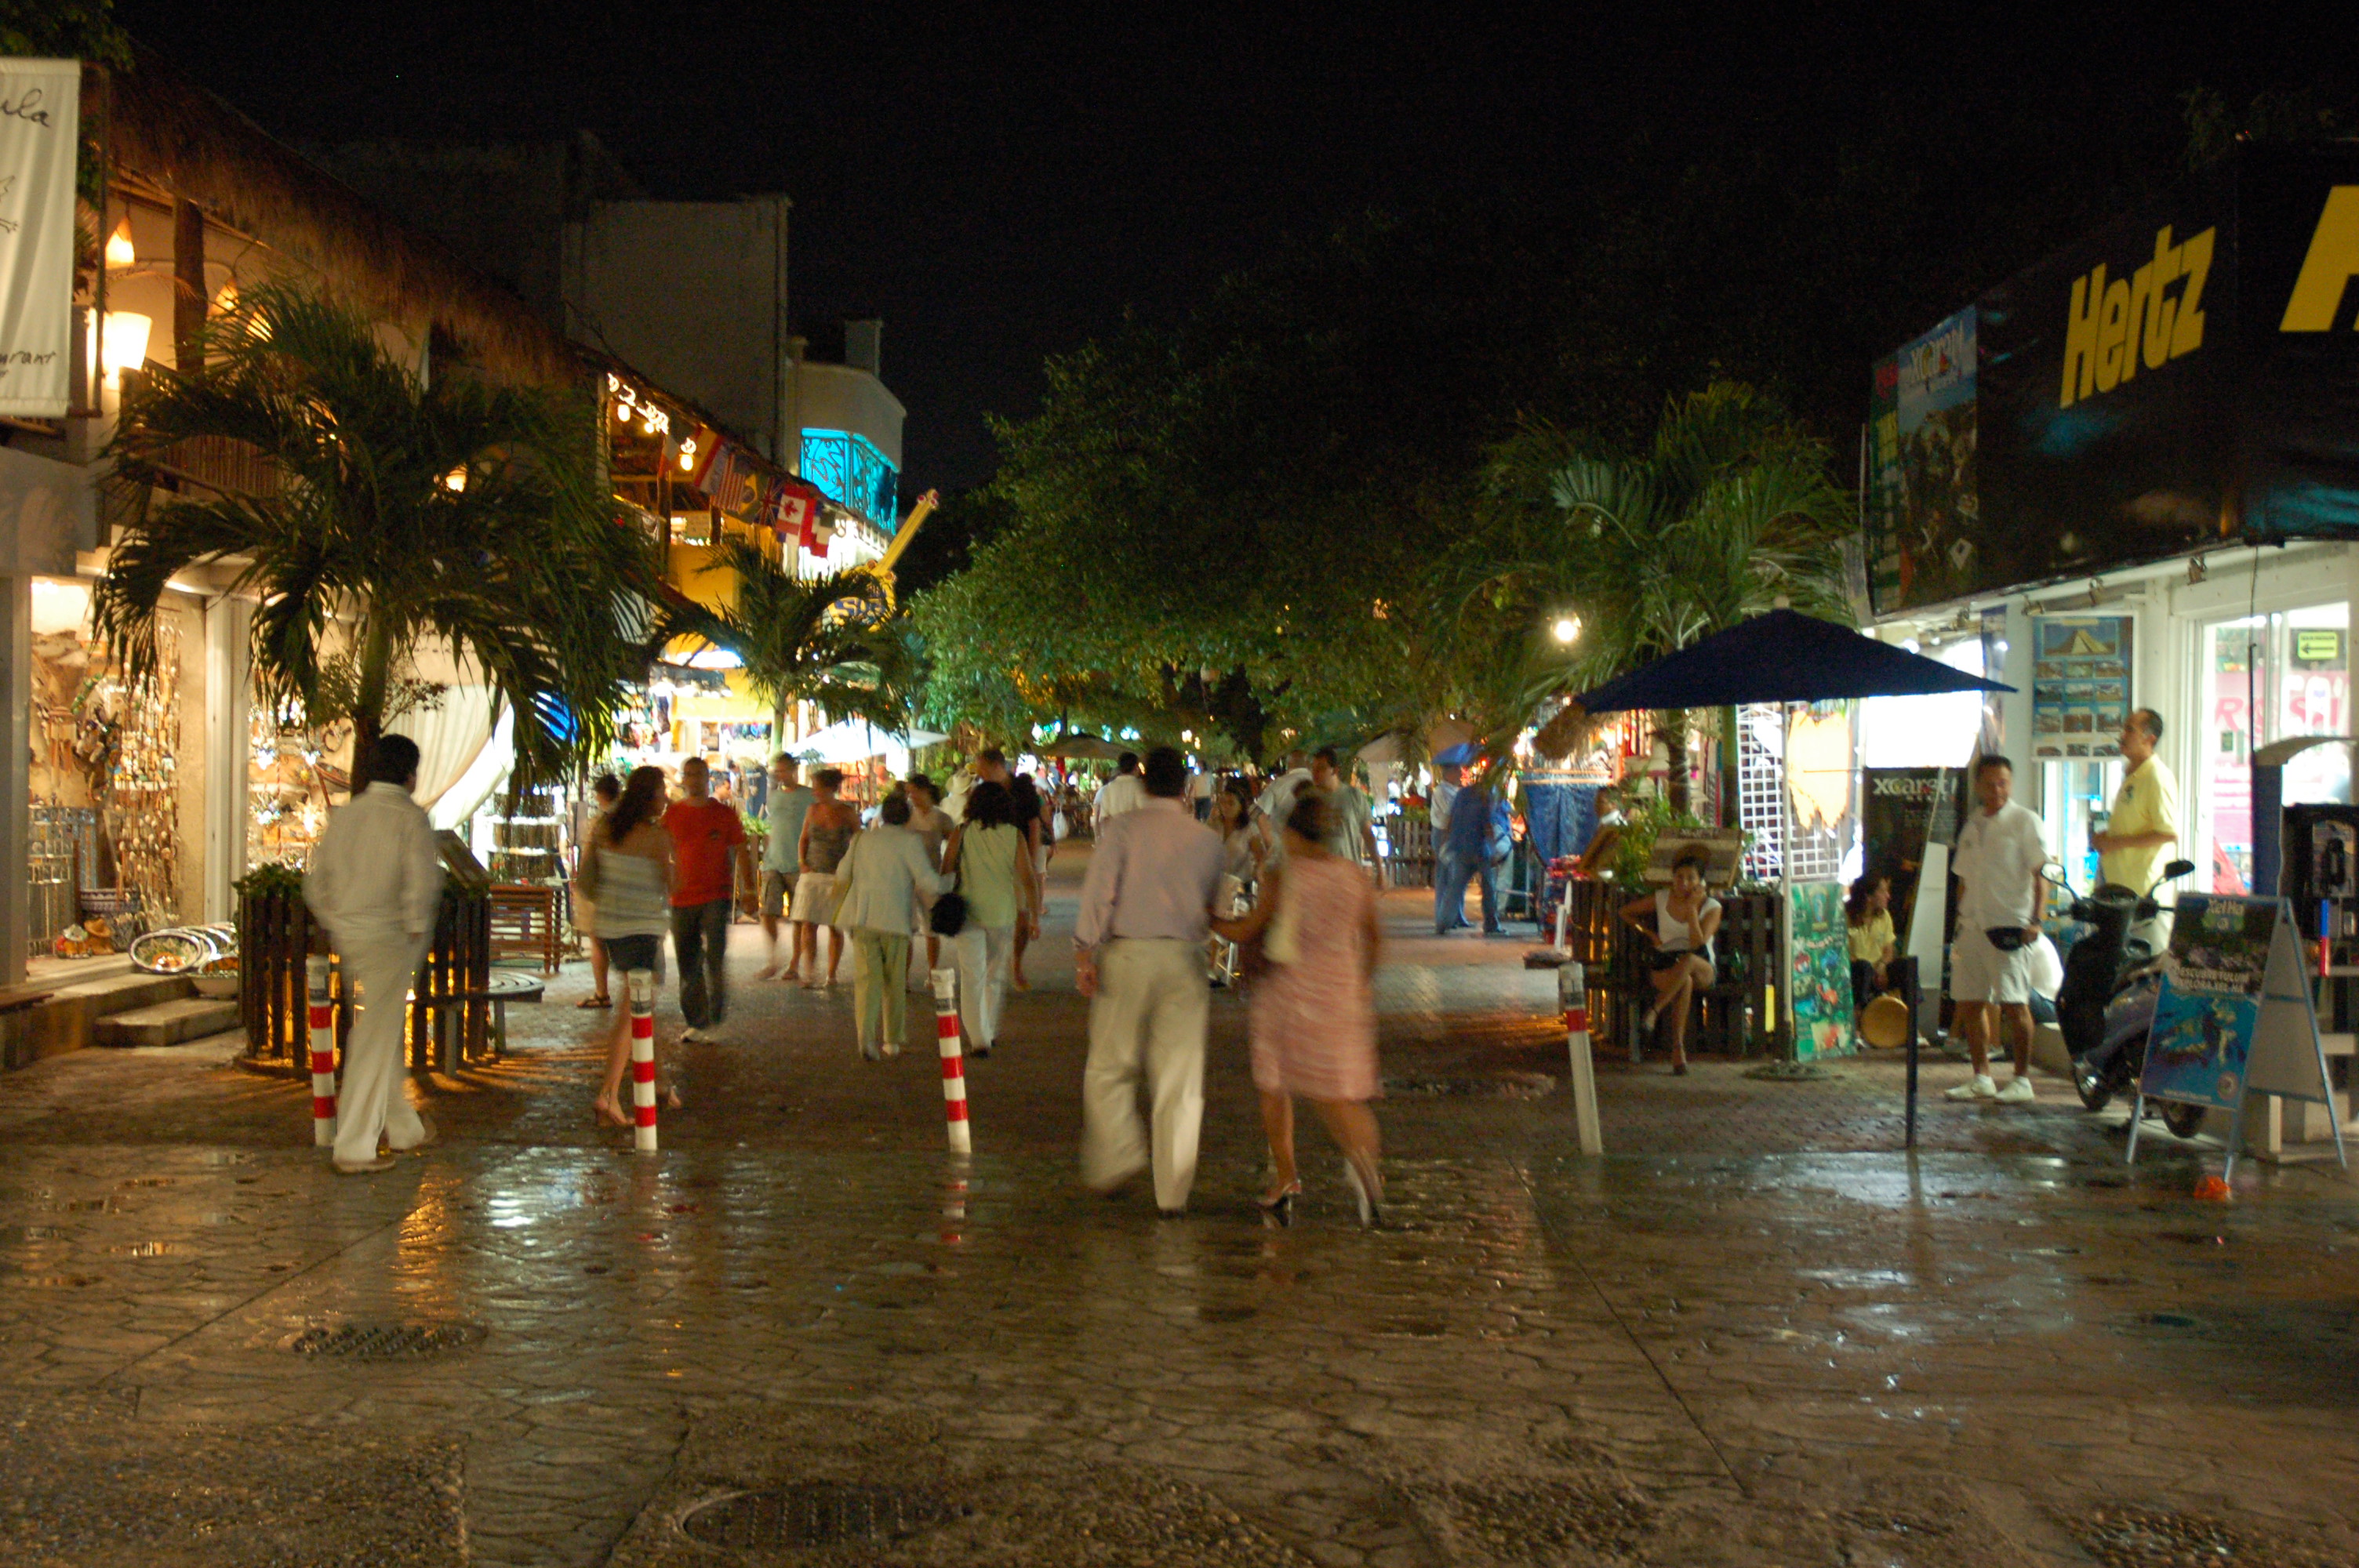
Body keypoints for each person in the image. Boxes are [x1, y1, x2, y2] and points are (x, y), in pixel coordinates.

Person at [1212, 793, 1387, 1227]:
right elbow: (1374, 938)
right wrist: (1362, 983)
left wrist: (1208, 919)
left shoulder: (1285, 877)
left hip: (1286, 993)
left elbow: (1248, 929)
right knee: (1340, 1092)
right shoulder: (1354, 877)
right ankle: (1366, 1165)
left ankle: (1287, 1177)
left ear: (1292, 832)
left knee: (1274, 1084)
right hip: (1342, 991)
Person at [1074, 745, 1226, 1217]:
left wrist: (1084, 951)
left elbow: (1099, 893)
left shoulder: (1122, 831)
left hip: (1127, 955)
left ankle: (1118, 1153)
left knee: (1109, 1066)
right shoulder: (1207, 841)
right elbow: (1217, 905)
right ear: (1186, 787)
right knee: (1180, 1080)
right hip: (1185, 959)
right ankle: (1172, 1194)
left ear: (1143, 783)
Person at [304, 734, 444, 1174]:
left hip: (352, 936)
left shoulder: (348, 816)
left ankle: (404, 1129)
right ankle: (355, 1146)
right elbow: (420, 884)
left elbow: (317, 882)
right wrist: (414, 930)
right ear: (410, 774)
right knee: (372, 1039)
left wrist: (339, 921)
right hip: (391, 939)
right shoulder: (409, 818)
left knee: (378, 1035)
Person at [1945, 753, 2048, 1105]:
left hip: (2010, 925)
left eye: (2003, 783)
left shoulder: (2025, 821)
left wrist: (2036, 920)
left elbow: (2041, 875)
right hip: (1972, 925)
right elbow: (1963, 878)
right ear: (1978, 786)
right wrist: (1959, 922)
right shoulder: (1973, 824)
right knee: (1970, 1001)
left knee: (2015, 1003)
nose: (1997, 790)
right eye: (1989, 784)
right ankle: (1982, 1077)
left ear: (2011, 783)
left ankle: (2021, 1079)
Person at [577, 766, 677, 1126]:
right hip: (642, 931)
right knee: (632, 1012)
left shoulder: (606, 828)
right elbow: (673, 883)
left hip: (610, 928)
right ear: (650, 797)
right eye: (663, 792)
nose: (666, 798)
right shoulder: (657, 837)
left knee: (643, 1007)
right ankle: (608, 1094)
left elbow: (586, 880)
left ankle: (660, 1084)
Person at [829, 790, 954, 1061]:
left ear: (883, 815)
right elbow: (928, 881)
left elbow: (842, 874)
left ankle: (865, 1038)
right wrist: (951, 882)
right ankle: (892, 1040)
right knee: (893, 982)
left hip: (862, 918)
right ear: (907, 817)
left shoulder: (862, 839)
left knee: (867, 980)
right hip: (895, 920)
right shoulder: (910, 842)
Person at [944, 780, 1040, 1058]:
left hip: (967, 913)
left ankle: (979, 1039)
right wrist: (1034, 915)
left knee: (971, 977)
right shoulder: (1014, 835)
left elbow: (946, 869)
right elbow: (1028, 878)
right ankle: (989, 1031)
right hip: (1002, 913)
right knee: (994, 977)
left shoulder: (962, 832)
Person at [663, 757, 753, 1042]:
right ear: (684, 778)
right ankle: (697, 1020)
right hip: (682, 897)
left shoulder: (723, 814)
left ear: (707, 777)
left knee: (715, 956)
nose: (693, 779)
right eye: (688, 774)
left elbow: (741, 849)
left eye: (698, 774)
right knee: (688, 960)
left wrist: (749, 890)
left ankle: (715, 1013)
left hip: (716, 894)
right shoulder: (673, 814)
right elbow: (661, 850)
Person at [1619, 848, 1722, 1074]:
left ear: (1700, 882)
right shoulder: (1662, 898)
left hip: (1701, 966)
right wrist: (1649, 933)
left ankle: (1655, 1011)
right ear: (1672, 878)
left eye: (1691, 878)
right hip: (1667, 963)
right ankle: (1678, 1051)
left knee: (1689, 961)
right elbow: (1625, 912)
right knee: (1684, 981)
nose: (1684, 883)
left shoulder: (1712, 907)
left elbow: (1697, 944)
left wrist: (1692, 908)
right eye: (1679, 877)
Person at [2092, 708, 2180, 895]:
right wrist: (2106, 838)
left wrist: (2115, 843)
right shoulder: (2133, 775)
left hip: (2143, 893)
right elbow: (2135, 827)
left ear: (2150, 739)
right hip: (2119, 888)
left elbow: (2168, 834)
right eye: (2123, 729)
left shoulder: (2157, 777)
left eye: (2130, 730)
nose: (2122, 736)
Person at [792, 768, 860, 989]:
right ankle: (809, 972)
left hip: (837, 875)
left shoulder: (847, 812)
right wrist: (802, 862)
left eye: (818, 788)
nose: (814, 792)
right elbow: (804, 838)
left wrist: (852, 867)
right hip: (812, 873)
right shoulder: (812, 810)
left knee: (835, 925)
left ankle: (831, 973)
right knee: (808, 924)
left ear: (830, 789)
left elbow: (859, 841)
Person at [758, 754, 815, 982]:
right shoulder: (774, 797)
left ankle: (795, 963)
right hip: (774, 862)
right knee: (767, 912)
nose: (781, 775)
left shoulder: (809, 796)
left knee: (799, 918)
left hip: (798, 863)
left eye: (784, 770)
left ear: (794, 770)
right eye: (777, 771)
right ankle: (774, 958)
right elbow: (772, 828)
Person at [1435, 771, 1506, 936]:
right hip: (1479, 849)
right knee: (1488, 888)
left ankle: (1442, 923)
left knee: (1455, 887)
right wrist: (1493, 849)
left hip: (1460, 847)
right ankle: (1491, 924)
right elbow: (1488, 824)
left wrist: (1447, 840)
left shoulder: (1462, 794)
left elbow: (1450, 819)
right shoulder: (1486, 796)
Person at [575, 773, 622, 1008]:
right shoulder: (629, 820)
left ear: (601, 795)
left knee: (598, 942)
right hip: (619, 889)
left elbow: (589, 857)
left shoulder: (601, 822)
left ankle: (602, 993)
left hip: (598, 889)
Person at [905, 773, 956, 981]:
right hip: (908, 879)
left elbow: (954, 845)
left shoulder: (941, 818)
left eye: (914, 792)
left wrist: (948, 872)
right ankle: (904, 976)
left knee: (931, 929)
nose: (912, 797)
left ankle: (932, 971)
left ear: (926, 791)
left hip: (931, 877)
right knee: (906, 930)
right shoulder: (907, 815)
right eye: (909, 793)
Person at [1307, 746, 1382, 880]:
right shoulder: (1308, 800)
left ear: (1335, 770)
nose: (1315, 773)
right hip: (1319, 877)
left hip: (1349, 875)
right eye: (1313, 769)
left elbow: (1368, 835)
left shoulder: (1354, 796)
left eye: (1321, 768)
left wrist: (1380, 870)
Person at [1009, 771, 1052, 990]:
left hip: (1007, 863)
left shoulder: (1008, 805)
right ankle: (1016, 965)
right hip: (1022, 862)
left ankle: (1012, 965)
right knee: (1022, 916)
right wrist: (1033, 867)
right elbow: (1035, 834)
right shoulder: (1032, 805)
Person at [1846, 873, 1897, 1011]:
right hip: (1857, 970)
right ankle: (1863, 1011)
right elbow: (1845, 953)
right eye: (1883, 891)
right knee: (1864, 968)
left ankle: (1910, 1014)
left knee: (1907, 966)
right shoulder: (1847, 918)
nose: (1888, 896)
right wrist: (1870, 969)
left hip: (1879, 968)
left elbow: (1888, 950)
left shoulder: (1884, 916)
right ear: (1869, 897)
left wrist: (1882, 965)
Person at [1253, 750, 1314, 860]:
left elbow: (1261, 815)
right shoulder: (1319, 783)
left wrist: (1270, 844)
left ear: (1289, 764)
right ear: (1308, 764)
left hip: (1284, 849)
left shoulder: (1278, 784)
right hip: (1314, 849)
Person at [1577, 786, 1627, 878]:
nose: (1596, 806)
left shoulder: (1614, 827)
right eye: (1596, 802)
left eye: (1601, 802)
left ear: (1614, 805)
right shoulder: (1607, 824)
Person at [1094, 751, 1148, 826]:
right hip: (1134, 829)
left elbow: (1104, 817)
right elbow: (1145, 811)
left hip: (1114, 830)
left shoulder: (1110, 787)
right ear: (1136, 767)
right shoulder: (1140, 786)